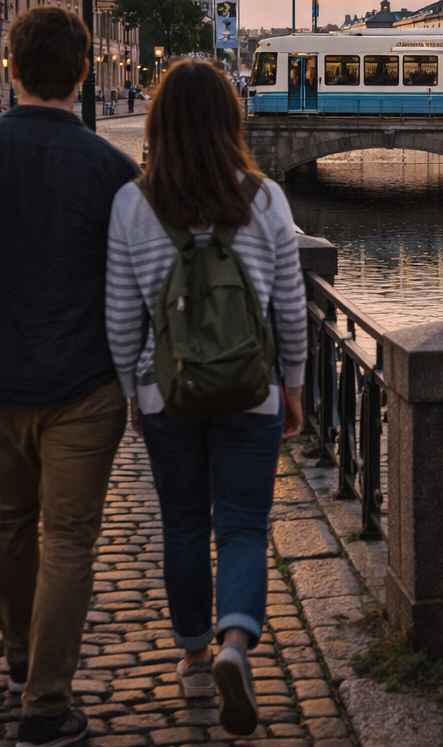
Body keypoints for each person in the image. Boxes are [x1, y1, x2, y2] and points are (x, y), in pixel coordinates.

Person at [0, 6, 139, 747]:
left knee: (10, 521)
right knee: (69, 538)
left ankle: (17, 659)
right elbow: (134, 288)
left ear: (8, 70)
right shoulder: (111, 170)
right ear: (82, 73)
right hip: (87, 385)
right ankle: (46, 705)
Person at [105, 59, 306, 735]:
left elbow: (122, 316)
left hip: (169, 391)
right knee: (244, 526)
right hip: (252, 391)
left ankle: (194, 654)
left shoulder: (133, 204)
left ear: (157, 122)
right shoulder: (266, 198)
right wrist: (295, 386)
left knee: (184, 524)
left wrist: (136, 387)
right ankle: (235, 643)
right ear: (231, 119)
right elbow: (291, 309)